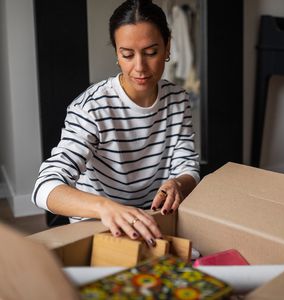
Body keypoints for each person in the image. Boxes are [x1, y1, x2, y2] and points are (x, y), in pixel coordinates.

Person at [32, 0, 200, 247]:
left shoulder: (177, 99)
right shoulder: (89, 108)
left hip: (154, 220)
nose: (140, 67)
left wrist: (177, 183)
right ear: (116, 54)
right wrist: (106, 208)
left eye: (151, 52)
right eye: (127, 55)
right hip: (99, 223)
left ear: (167, 48)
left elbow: (187, 165)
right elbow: (44, 186)